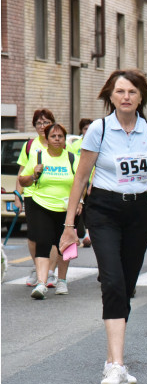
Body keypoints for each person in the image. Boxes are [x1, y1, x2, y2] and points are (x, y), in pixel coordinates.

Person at [59, 69, 147, 384]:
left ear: (141, 97)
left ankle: (114, 361)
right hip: (104, 210)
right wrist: (69, 226)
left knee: (126, 285)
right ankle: (116, 366)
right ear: (110, 95)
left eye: (132, 92)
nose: (126, 96)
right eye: (120, 91)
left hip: (139, 211)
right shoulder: (99, 129)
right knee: (111, 281)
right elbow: (80, 179)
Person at [18, 123, 78, 299]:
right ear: (47, 138)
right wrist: (34, 175)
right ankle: (42, 283)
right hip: (41, 204)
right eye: (53, 136)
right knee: (43, 242)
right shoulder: (38, 156)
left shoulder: (72, 158)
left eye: (60, 136)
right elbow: (23, 181)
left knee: (64, 245)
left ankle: (62, 280)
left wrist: (80, 200)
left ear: (65, 139)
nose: (57, 139)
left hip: (66, 207)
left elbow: (80, 183)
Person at [16, 110, 63, 288]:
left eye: (46, 122)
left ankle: (50, 272)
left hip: (56, 197)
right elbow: (22, 173)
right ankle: (38, 268)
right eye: (39, 123)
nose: (43, 126)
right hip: (32, 195)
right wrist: (17, 195)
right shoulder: (30, 146)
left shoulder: (59, 143)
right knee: (34, 235)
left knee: (52, 237)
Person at [69, 118, 94, 248]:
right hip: (80, 180)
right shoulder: (75, 146)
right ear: (81, 130)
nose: (87, 131)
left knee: (90, 208)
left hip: (93, 181)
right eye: (85, 129)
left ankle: (89, 234)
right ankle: (81, 234)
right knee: (80, 209)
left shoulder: (97, 144)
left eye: (90, 128)